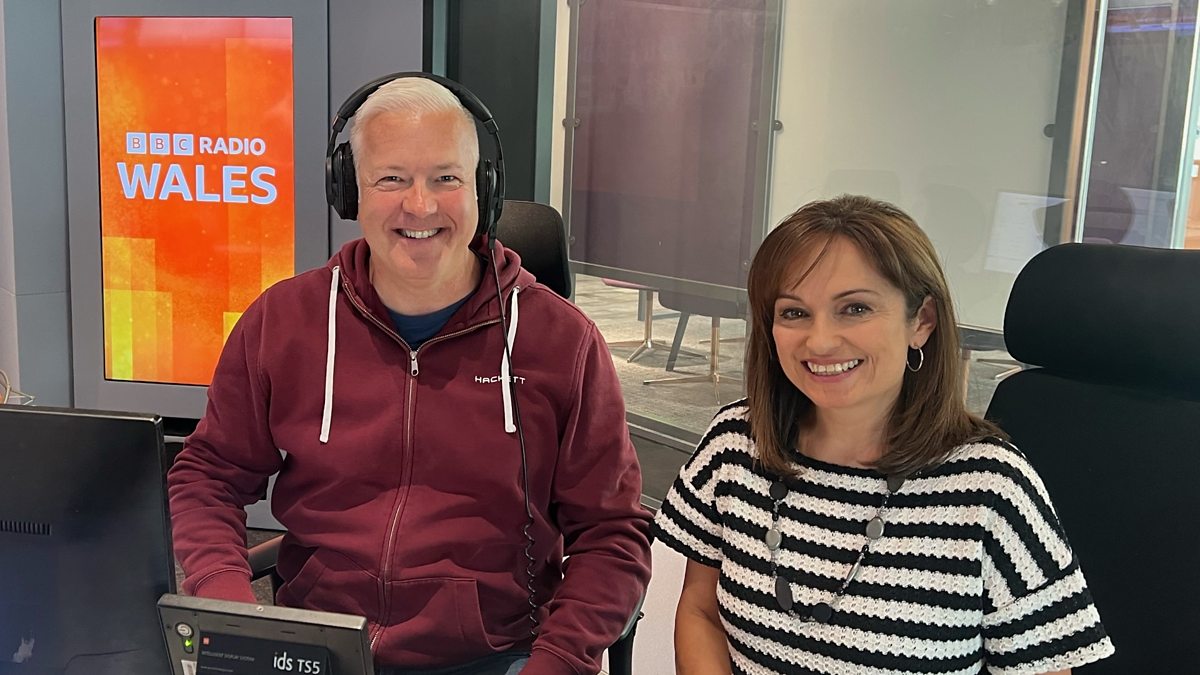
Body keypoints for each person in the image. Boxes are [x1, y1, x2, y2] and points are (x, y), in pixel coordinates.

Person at [168, 75, 652, 675]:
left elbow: (612, 532)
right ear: (349, 190)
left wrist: (557, 661)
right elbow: (209, 474)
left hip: (496, 656)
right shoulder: (284, 321)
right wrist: (226, 604)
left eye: (446, 178)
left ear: (483, 190)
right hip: (319, 644)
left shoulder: (561, 342)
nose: (420, 206)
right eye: (391, 179)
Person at [651, 195, 1114, 674]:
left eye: (854, 308)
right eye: (794, 312)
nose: (820, 340)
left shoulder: (991, 487)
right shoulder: (735, 443)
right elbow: (701, 611)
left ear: (922, 321)